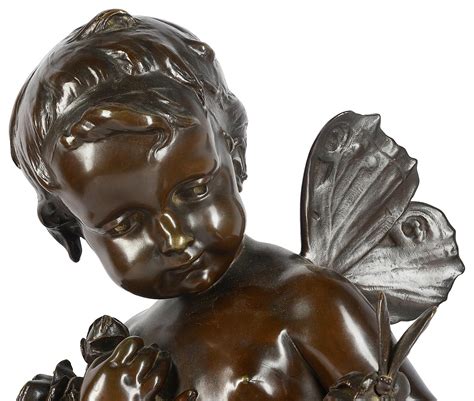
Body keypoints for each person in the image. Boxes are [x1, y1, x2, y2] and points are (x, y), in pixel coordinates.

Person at [10, 9, 434, 400]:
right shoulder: (128, 358)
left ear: (234, 152)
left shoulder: (308, 304)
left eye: (193, 191)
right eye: (125, 225)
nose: (175, 239)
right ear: (69, 226)